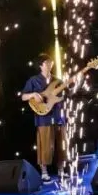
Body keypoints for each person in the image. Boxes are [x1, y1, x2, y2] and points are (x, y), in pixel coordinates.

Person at [20, 53, 81, 182]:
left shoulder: (57, 81)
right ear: (40, 65)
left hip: (58, 115)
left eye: (51, 63)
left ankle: (61, 170)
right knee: (45, 145)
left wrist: (76, 83)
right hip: (43, 117)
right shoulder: (33, 80)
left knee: (62, 144)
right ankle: (44, 172)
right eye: (47, 63)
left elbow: (68, 93)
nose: (49, 65)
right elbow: (23, 96)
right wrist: (33, 94)